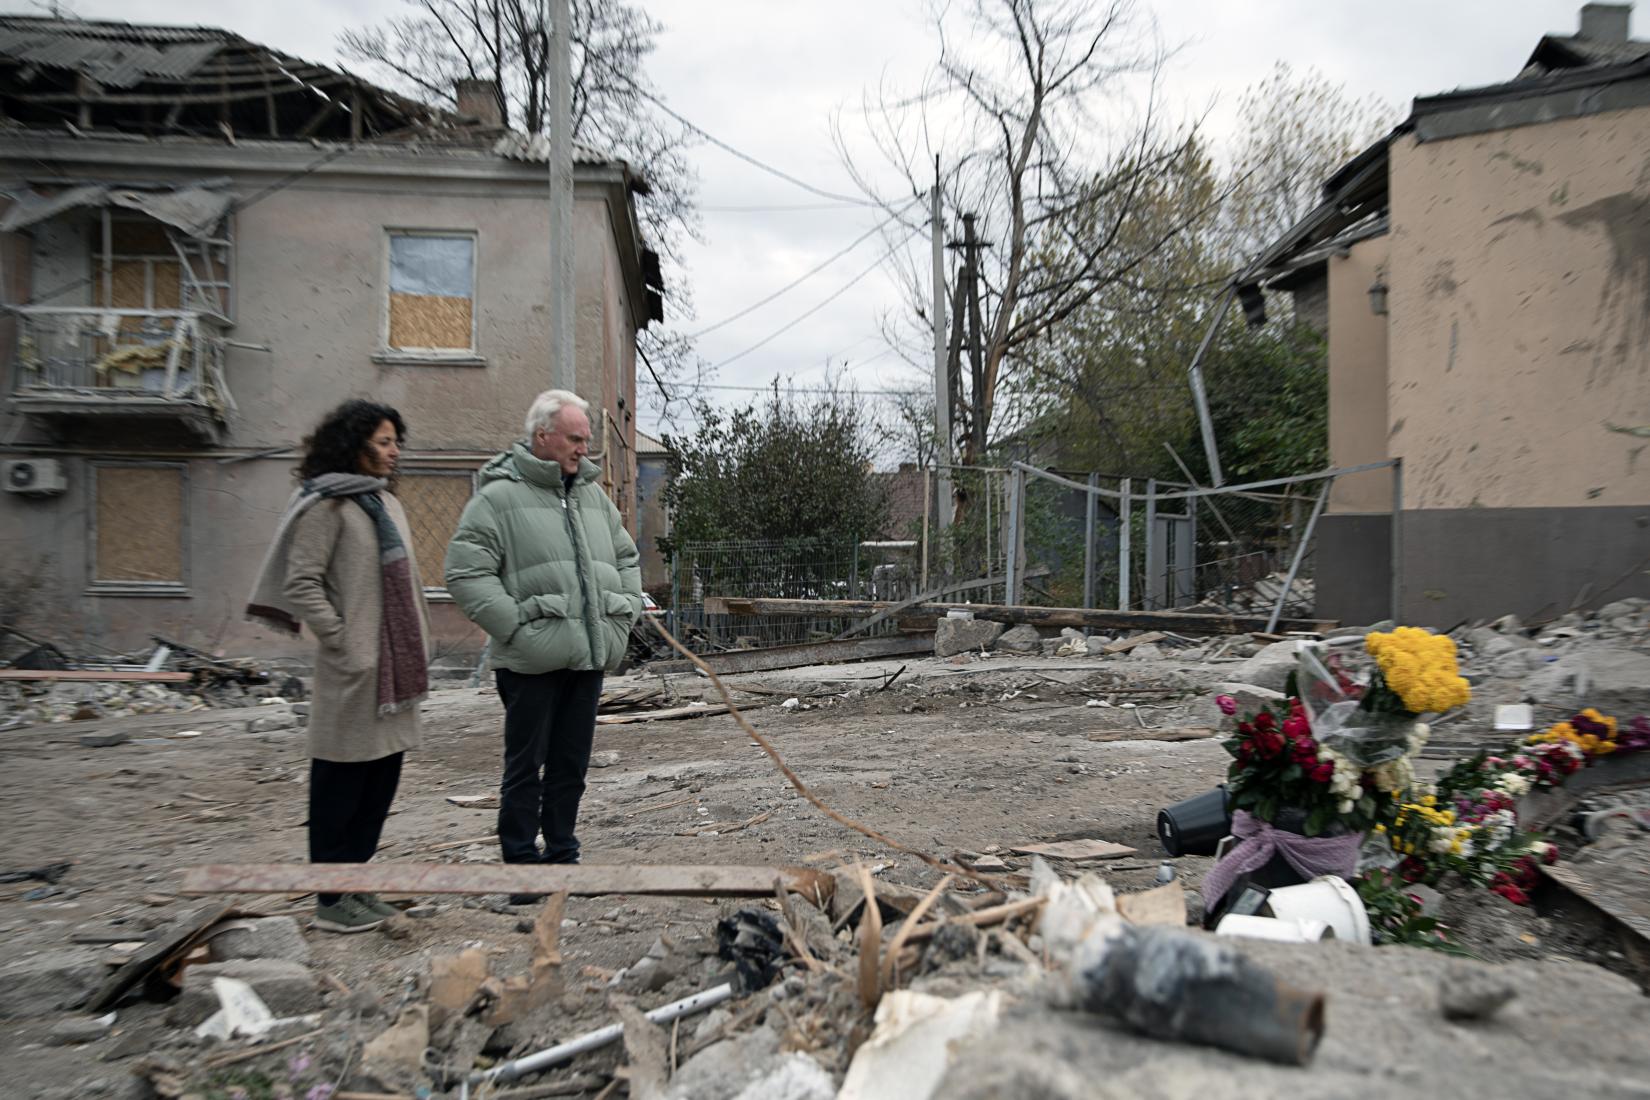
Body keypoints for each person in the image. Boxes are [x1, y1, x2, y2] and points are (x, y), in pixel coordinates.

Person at [445, 389, 642, 901]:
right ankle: (521, 869)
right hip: (531, 661)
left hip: (587, 656)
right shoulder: (498, 497)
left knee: (570, 766)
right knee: (524, 767)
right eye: (575, 438)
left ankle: (562, 856)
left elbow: (626, 557)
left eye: (586, 439)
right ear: (543, 437)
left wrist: (622, 613)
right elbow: (466, 573)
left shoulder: (592, 496)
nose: (584, 447)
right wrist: (515, 627)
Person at [247, 400, 431, 933]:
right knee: (339, 785)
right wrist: (344, 639)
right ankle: (331, 899)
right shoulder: (326, 506)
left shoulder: (386, 505)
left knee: (380, 783)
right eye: (383, 442)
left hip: (397, 674)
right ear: (353, 444)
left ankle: (359, 885)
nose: (394, 451)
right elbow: (301, 582)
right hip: (355, 673)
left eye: (397, 441)